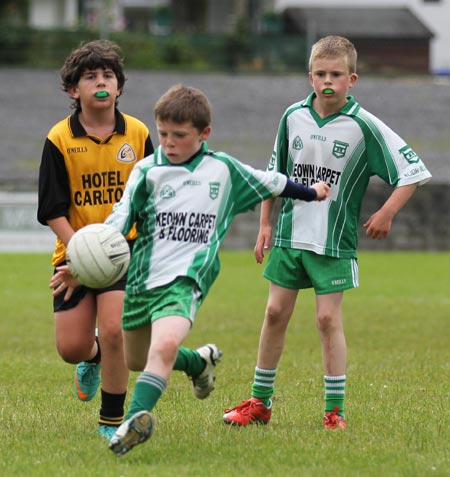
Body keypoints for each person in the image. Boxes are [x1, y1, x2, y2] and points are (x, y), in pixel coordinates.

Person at [96, 84, 330, 456]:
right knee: (138, 360)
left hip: (187, 278)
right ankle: (199, 361)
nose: (169, 143)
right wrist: (82, 261)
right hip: (141, 281)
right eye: (163, 134)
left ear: (204, 134)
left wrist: (312, 192)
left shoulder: (223, 170)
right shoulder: (146, 171)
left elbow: (274, 182)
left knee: (166, 344)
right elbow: (119, 220)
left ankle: (134, 422)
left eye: (179, 135)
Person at [222, 35, 432, 430]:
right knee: (273, 312)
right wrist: (265, 223)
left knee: (325, 319)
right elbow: (275, 176)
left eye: (336, 74)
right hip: (288, 236)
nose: (327, 81)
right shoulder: (292, 117)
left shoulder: (363, 125)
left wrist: (386, 212)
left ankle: (334, 412)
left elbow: (414, 171)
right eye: (320, 74)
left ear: (352, 79)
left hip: (333, 242)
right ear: (310, 76)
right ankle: (259, 403)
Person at [37, 39, 154, 440]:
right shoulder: (58, 138)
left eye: (108, 76)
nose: (100, 82)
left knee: (116, 328)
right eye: (90, 77)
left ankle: (110, 421)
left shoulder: (137, 134)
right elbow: (53, 209)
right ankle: (94, 357)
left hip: (127, 248)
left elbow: (151, 198)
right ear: (74, 90)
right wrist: (81, 252)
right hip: (73, 249)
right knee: (71, 348)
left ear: (119, 87)